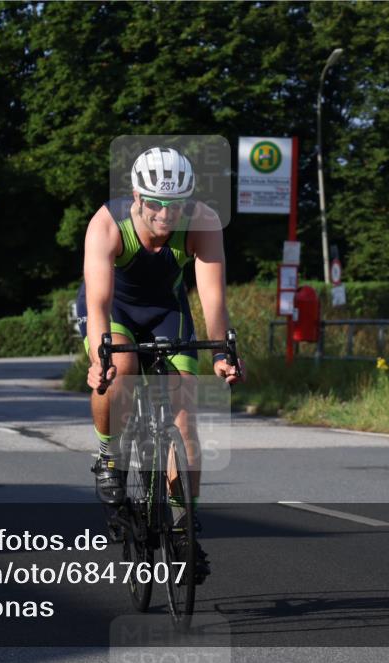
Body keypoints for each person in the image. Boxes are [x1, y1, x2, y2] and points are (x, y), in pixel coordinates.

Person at [76, 146, 244, 582]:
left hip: (168, 312)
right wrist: (100, 359)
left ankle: (186, 528)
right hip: (117, 311)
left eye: (176, 206)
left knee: (184, 419)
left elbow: (212, 298)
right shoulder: (107, 224)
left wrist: (223, 352)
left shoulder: (202, 222)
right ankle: (108, 456)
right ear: (136, 196)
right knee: (122, 369)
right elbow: (96, 303)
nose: (166, 215)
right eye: (156, 205)